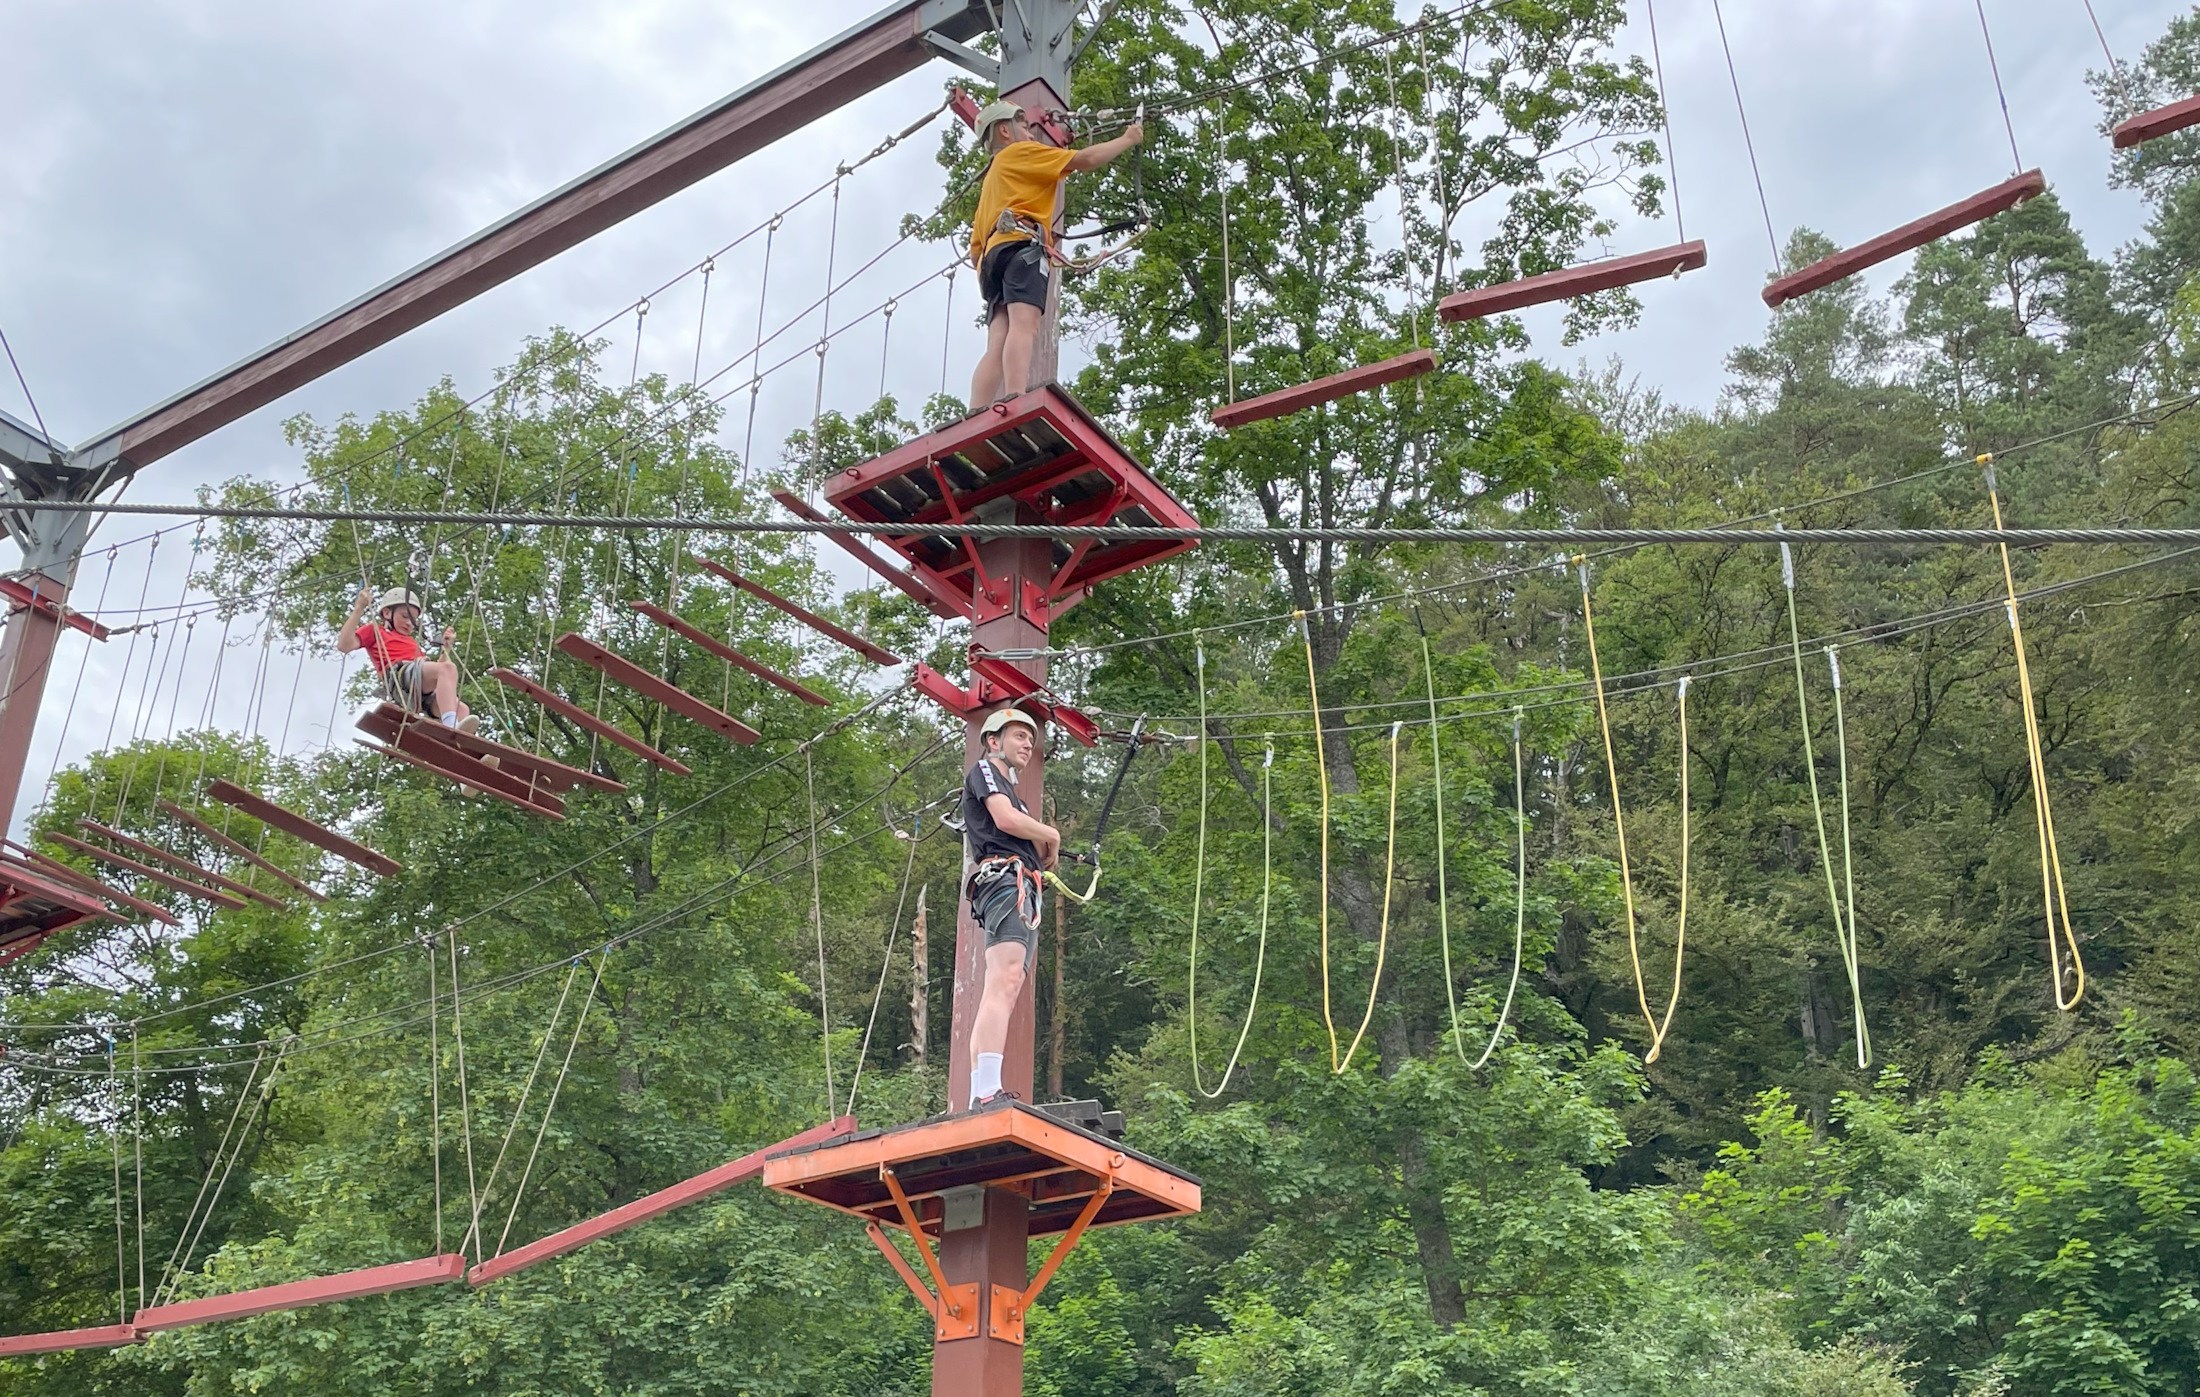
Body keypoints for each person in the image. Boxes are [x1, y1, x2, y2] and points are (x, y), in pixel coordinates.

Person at [966, 100, 1143, 409]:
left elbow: (975, 251)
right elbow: (1085, 159)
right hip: (1022, 247)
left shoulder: (992, 182)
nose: (1031, 134)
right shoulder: (1019, 153)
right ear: (1005, 131)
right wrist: (1128, 139)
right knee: (1026, 324)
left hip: (993, 258)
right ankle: (1015, 397)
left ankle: (976, 409)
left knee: (997, 341)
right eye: (1023, 126)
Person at [960, 707, 1060, 1108]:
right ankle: (985, 1090)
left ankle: (979, 1090)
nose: (1027, 744)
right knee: (1002, 982)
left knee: (1008, 984)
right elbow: (1003, 820)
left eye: (1030, 739)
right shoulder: (985, 772)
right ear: (993, 741)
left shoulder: (1014, 795)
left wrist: (1043, 842)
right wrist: (1049, 832)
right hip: (1005, 880)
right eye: (1019, 736)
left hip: (1020, 884)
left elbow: (1028, 835)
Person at [338, 585, 475, 733]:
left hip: (419, 690)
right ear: (387, 613)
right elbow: (344, 645)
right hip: (399, 676)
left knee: (461, 708)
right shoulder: (376, 630)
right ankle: (451, 728)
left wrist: (446, 648)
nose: (409, 623)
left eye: (413, 620)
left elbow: (437, 676)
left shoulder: (411, 643)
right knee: (448, 668)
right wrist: (359, 609)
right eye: (405, 616)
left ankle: (461, 746)